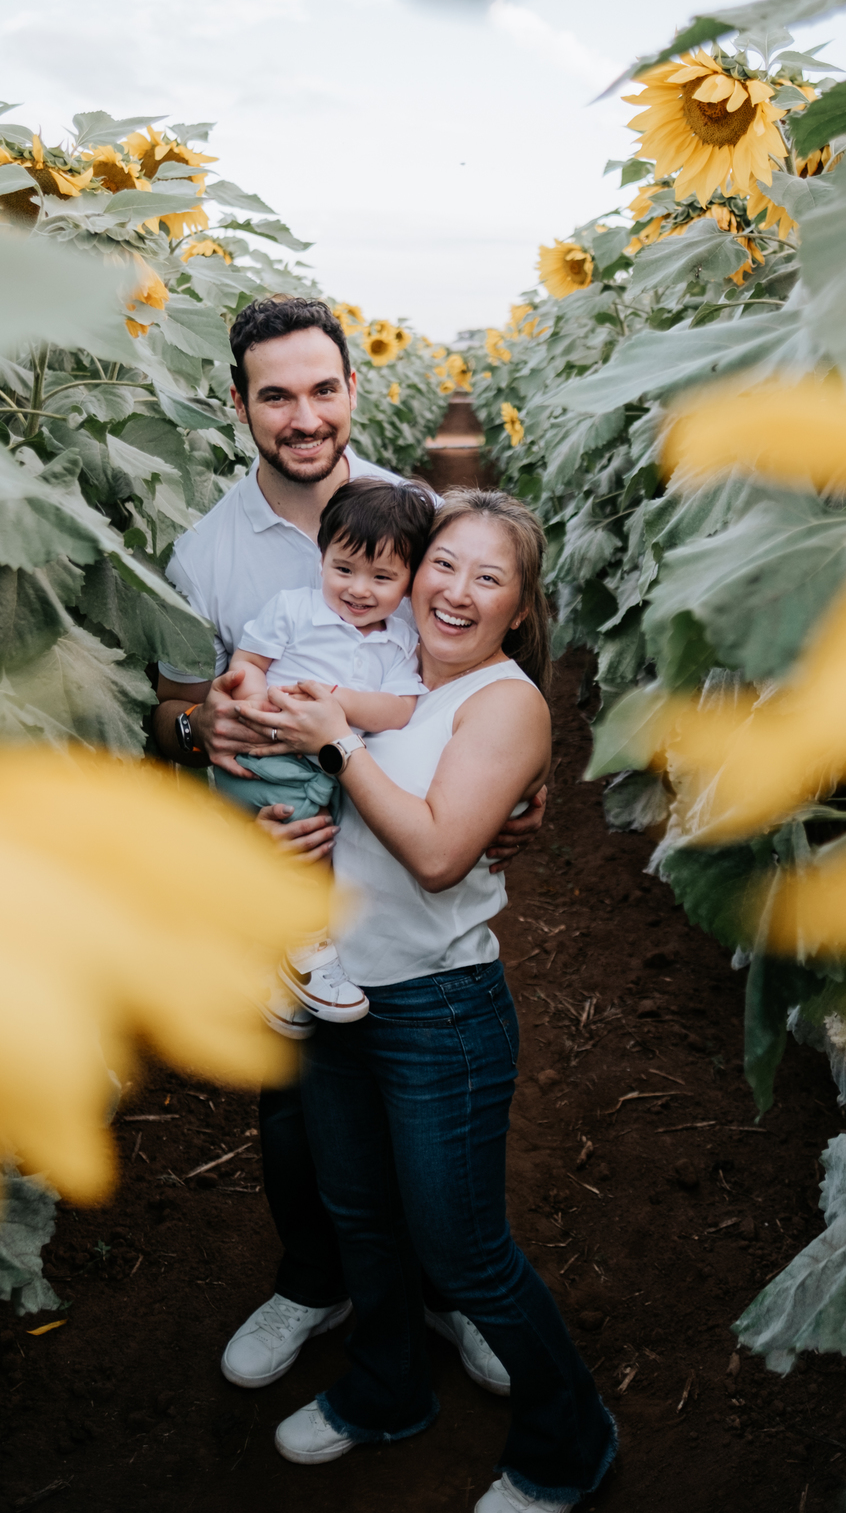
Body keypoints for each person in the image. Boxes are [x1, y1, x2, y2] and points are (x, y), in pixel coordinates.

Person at [149, 297, 546, 1397]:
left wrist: (523, 780)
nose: (305, 416)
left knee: (422, 1094)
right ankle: (314, 1281)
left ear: (353, 390)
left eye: (323, 389)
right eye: (276, 395)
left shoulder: (419, 516)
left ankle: (449, 1288)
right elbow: (171, 709)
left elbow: (480, 664)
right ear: (239, 404)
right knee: (296, 1101)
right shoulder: (206, 552)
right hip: (286, 849)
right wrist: (206, 730)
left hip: (401, 859)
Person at [242, 489, 617, 1511]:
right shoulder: (381, 663)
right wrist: (282, 826)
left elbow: (441, 853)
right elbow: (300, 775)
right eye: (443, 565)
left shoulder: (506, 702)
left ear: (519, 608)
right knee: (360, 1216)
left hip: (438, 1013)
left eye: (488, 578)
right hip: (338, 994)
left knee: (466, 1252)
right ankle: (386, 1391)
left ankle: (570, 1444)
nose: (456, 591)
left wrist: (338, 746)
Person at [221, 475, 438, 1026]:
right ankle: (307, 953)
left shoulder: (400, 640)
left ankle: (271, 971)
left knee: (332, 853)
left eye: (382, 577)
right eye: (344, 569)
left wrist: (336, 703)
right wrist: (259, 708)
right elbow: (248, 664)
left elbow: (400, 709)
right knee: (310, 846)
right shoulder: (293, 610)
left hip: (328, 764)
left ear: (409, 581)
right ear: (321, 559)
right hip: (271, 758)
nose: (359, 589)